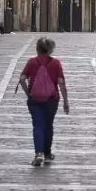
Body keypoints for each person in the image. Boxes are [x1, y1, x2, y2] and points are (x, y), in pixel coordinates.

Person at [18, 37, 70, 166]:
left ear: (37, 49)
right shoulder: (56, 63)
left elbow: (22, 79)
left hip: (35, 99)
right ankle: (47, 154)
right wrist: (65, 101)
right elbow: (61, 83)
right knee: (48, 126)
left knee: (37, 126)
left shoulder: (31, 62)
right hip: (51, 99)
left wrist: (28, 94)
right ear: (51, 50)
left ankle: (38, 154)